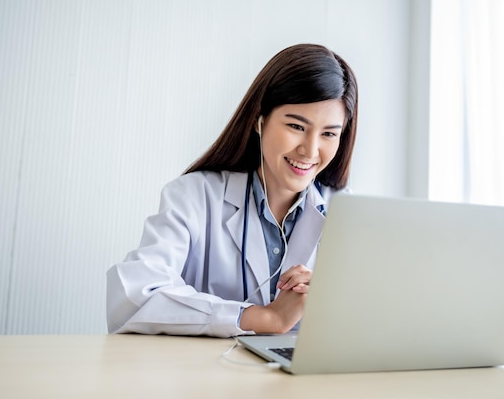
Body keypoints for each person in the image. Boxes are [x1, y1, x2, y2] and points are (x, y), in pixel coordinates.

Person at [106, 43, 358, 337]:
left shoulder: (347, 212)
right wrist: (261, 317)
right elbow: (133, 297)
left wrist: (330, 301)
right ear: (259, 120)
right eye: (296, 126)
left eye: (329, 133)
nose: (310, 150)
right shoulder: (194, 196)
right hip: (205, 377)